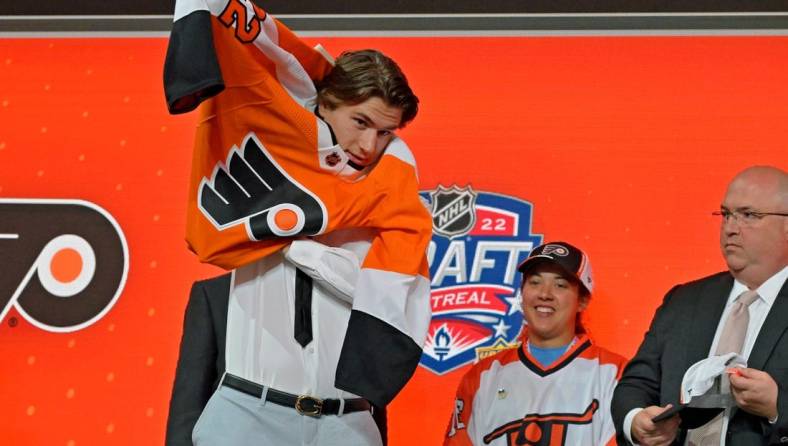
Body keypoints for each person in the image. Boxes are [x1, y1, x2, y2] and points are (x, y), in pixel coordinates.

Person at [163, 1, 431, 445]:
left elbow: (385, 297)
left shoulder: (393, 193)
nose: (368, 144)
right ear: (326, 103)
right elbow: (250, 67)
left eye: (386, 132)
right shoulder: (262, 142)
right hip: (246, 409)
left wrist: (292, 242)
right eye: (360, 122)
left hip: (347, 421)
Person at [611, 166, 788, 446]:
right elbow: (636, 384)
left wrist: (779, 407)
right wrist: (636, 420)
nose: (731, 227)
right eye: (726, 214)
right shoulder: (684, 300)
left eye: (749, 215)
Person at [444, 241, 627, 446]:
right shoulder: (482, 377)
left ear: (582, 300)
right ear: (522, 293)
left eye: (560, 285)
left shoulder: (616, 374)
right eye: (535, 282)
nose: (544, 294)